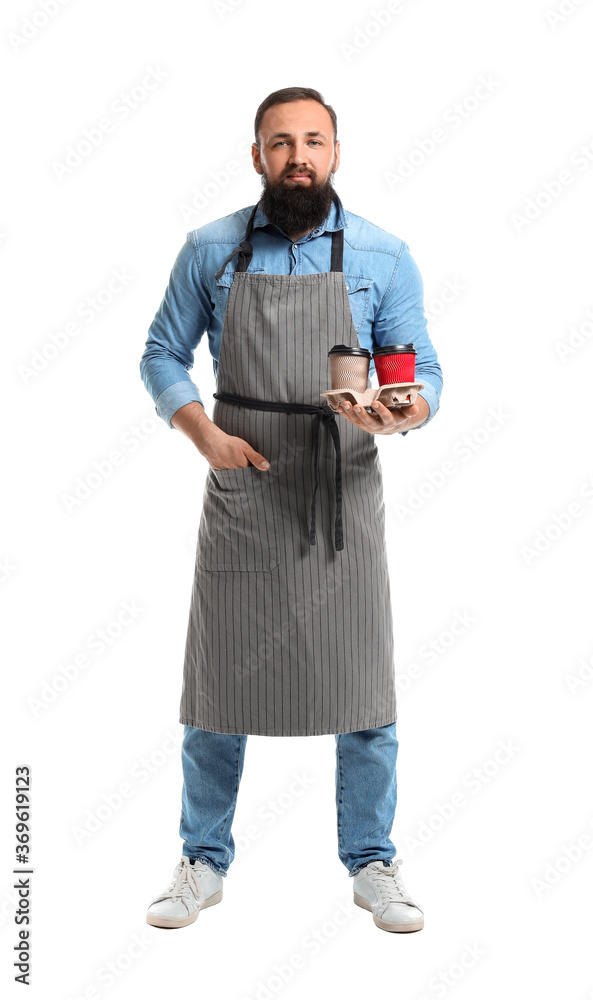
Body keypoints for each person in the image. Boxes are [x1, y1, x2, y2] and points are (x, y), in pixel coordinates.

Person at [139, 86, 443, 934]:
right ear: (256, 155)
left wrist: (404, 412)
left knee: (364, 686)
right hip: (245, 481)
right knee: (216, 686)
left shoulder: (384, 255)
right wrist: (202, 433)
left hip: (341, 481)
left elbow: (421, 372)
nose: (296, 156)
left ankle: (372, 860)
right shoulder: (210, 248)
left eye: (313, 140)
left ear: (337, 152)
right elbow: (161, 351)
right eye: (280, 143)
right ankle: (202, 859)